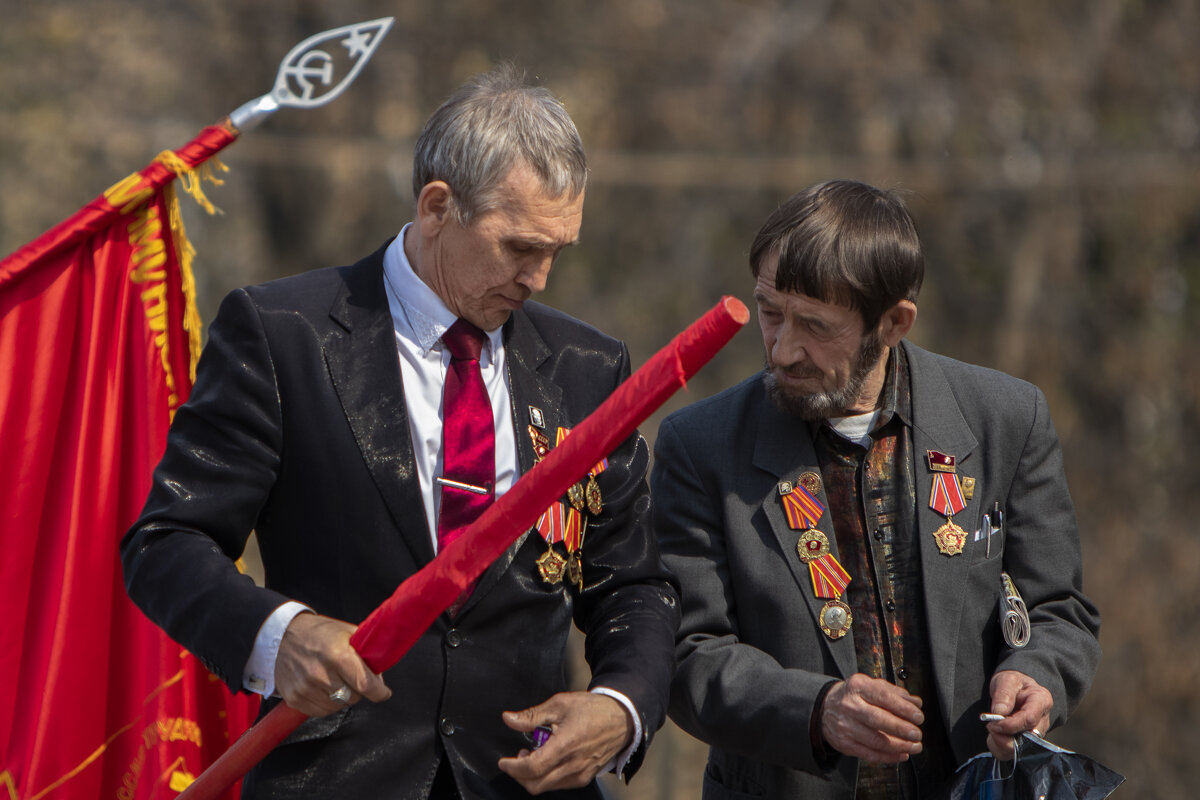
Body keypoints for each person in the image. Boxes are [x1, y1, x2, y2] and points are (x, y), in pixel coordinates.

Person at [121, 64, 680, 799]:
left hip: (525, 781)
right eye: (519, 247)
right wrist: (281, 634)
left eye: (557, 251)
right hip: (334, 776)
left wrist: (621, 706)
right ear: (438, 205)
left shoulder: (588, 366)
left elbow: (634, 581)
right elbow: (166, 544)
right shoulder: (282, 334)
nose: (539, 278)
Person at [651, 179, 1100, 799]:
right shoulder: (698, 447)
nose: (782, 350)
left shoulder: (1006, 419)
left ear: (893, 322)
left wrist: (1035, 675)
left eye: (814, 325)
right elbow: (686, 654)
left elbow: (1058, 610)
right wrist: (817, 708)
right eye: (769, 311)